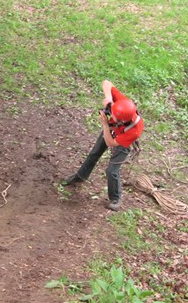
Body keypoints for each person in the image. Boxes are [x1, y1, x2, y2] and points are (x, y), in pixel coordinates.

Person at [61, 80, 143, 211]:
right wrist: (109, 99)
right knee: (94, 153)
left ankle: (115, 198)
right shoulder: (123, 104)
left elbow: (111, 143)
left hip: (122, 142)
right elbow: (107, 83)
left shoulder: (134, 131)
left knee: (112, 170)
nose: (111, 115)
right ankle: (80, 177)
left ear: (122, 120)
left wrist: (105, 124)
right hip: (111, 130)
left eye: (114, 116)